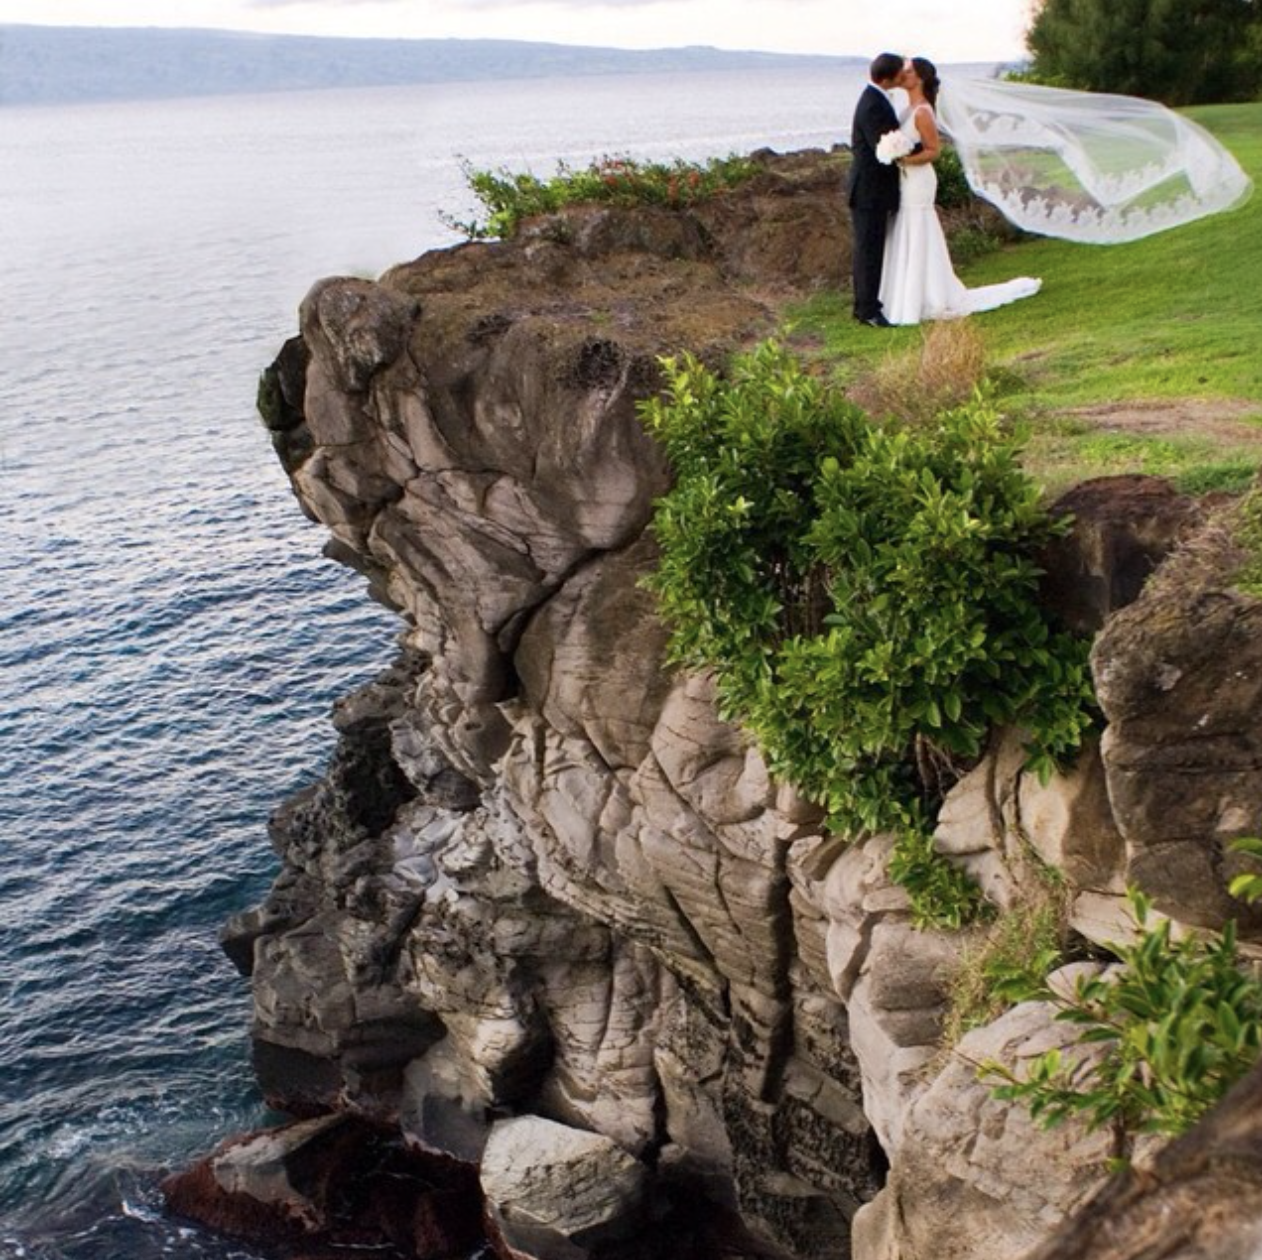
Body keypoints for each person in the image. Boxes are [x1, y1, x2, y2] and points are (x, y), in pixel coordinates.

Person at [879, 57, 1040, 326]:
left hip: (918, 180)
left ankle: (930, 296)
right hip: (906, 179)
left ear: (919, 78)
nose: (902, 75)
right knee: (906, 227)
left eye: (908, 71)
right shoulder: (908, 109)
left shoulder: (923, 112)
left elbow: (933, 150)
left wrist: (902, 159)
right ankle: (908, 295)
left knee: (918, 227)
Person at [848, 52, 907, 327]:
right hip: (869, 191)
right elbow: (883, 148)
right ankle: (868, 310)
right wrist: (912, 149)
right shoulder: (873, 104)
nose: (903, 76)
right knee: (868, 250)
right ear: (888, 77)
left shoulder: (876, 98)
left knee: (870, 248)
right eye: (900, 72)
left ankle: (866, 305)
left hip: (873, 190)